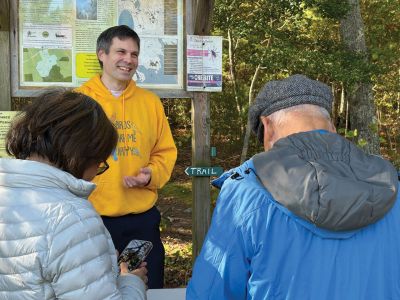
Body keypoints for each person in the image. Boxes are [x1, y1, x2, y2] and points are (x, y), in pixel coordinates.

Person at [187, 75, 400, 299]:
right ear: (332, 127)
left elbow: (211, 292)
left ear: (267, 127)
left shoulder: (247, 191)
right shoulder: (390, 185)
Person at [0, 90, 147, 299]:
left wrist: (94, 261)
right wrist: (132, 282)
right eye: (100, 163)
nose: (96, 173)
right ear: (85, 153)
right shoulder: (71, 217)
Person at [75, 25, 177, 288]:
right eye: (121, 51)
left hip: (140, 222)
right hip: (90, 220)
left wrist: (151, 174)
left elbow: (164, 151)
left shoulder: (150, 103)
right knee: (97, 289)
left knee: (142, 286)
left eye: (134, 54)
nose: (128, 60)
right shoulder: (77, 102)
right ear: (102, 54)